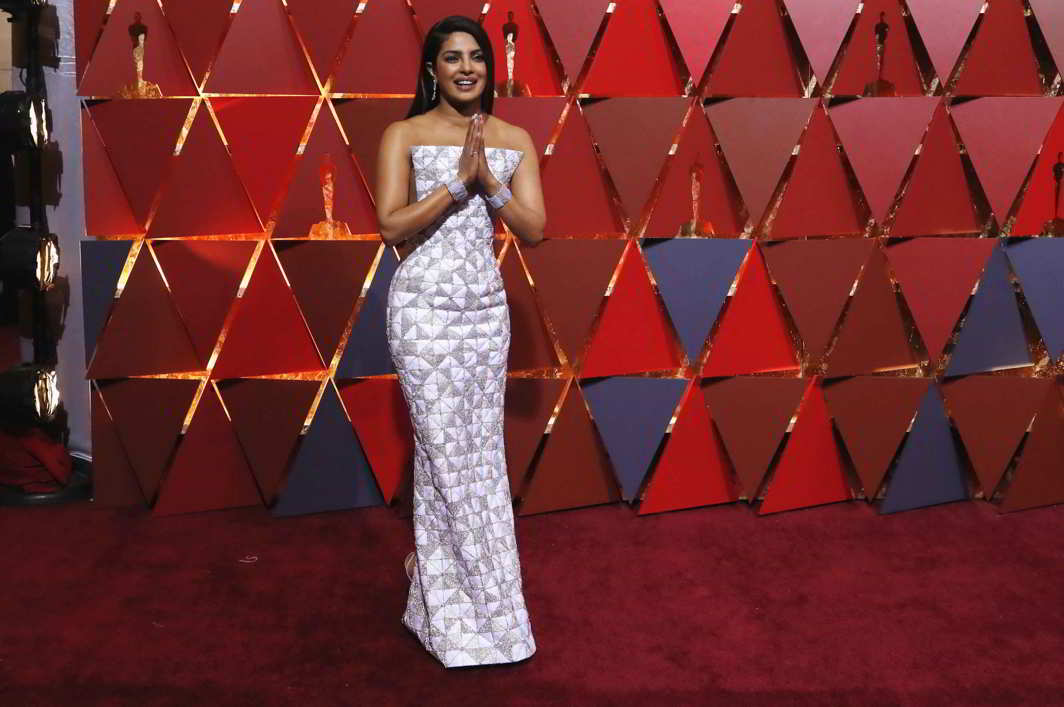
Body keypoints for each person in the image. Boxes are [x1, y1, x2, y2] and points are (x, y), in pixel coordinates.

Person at [374, 15, 544, 668]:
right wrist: (455, 183)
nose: (467, 67)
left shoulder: (514, 138)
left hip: (483, 314)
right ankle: (454, 602)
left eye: (476, 57)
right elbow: (392, 225)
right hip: (423, 311)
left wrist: (491, 182)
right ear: (432, 70)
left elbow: (533, 229)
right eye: (452, 58)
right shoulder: (405, 134)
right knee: (443, 454)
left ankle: (475, 601)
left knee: (478, 458)